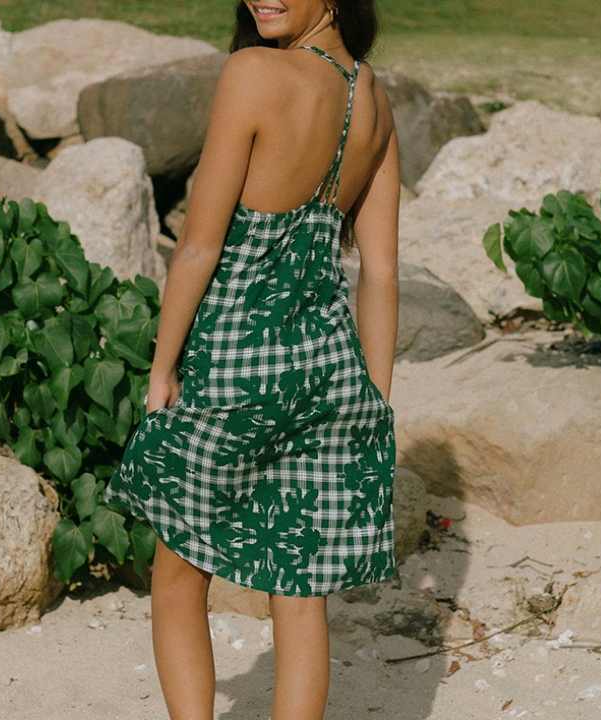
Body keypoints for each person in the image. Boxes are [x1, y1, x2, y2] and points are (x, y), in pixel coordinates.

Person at [103, 1, 400, 717]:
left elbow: (199, 245)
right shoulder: (372, 98)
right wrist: (374, 399)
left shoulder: (254, 73)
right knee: (299, 591)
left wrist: (162, 368)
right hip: (329, 367)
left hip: (232, 358)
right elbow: (383, 271)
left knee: (179, 569)